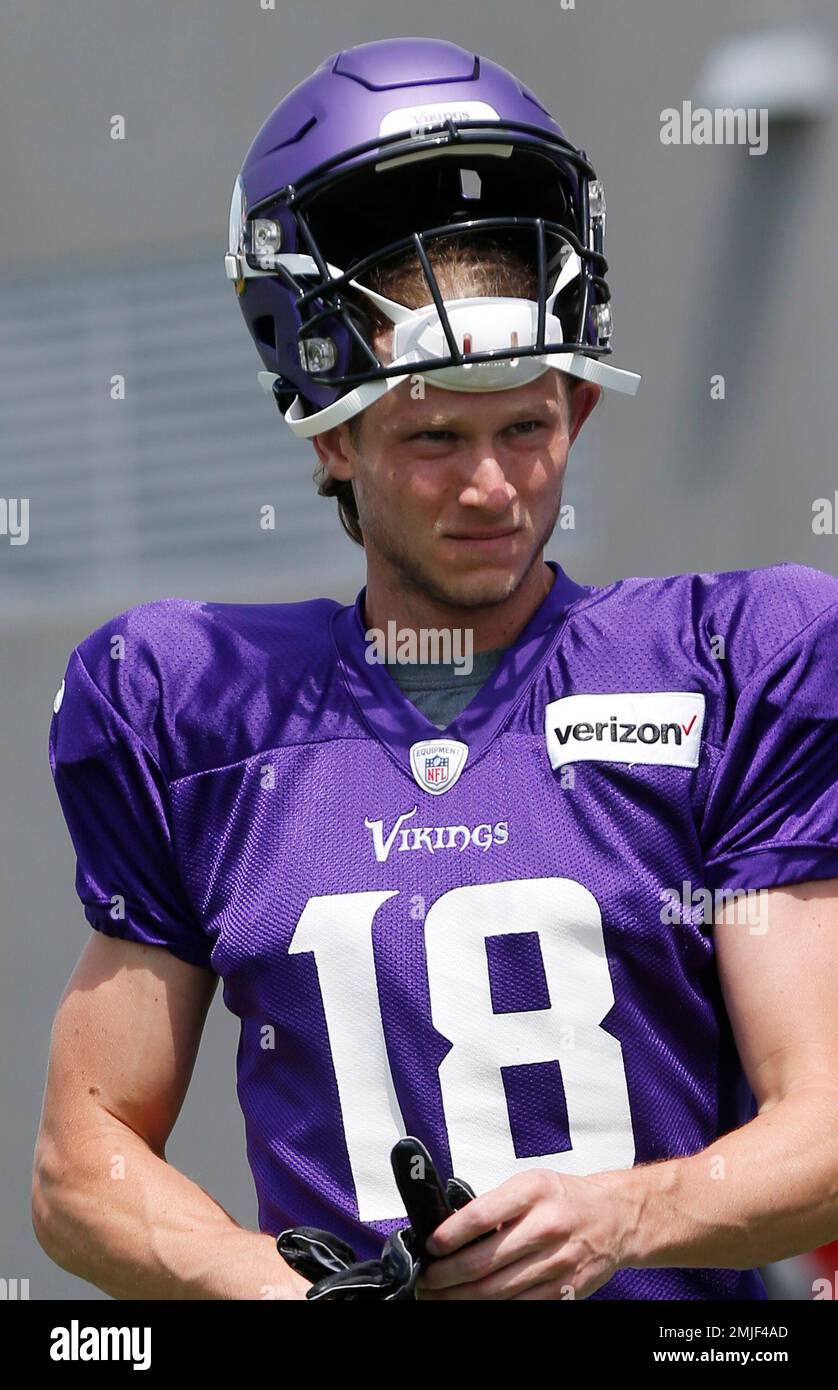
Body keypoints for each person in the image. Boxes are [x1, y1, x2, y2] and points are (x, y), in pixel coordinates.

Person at [33, 37, 838, 1301]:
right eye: (431, 436)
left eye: (526, 424)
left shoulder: (732, 668)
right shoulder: (192, 706)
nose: (490, 485)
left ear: (575, 406)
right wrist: (290, 1296)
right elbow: (84, 1164)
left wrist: (621, 1214)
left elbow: (824, 1131)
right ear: (334, 434)